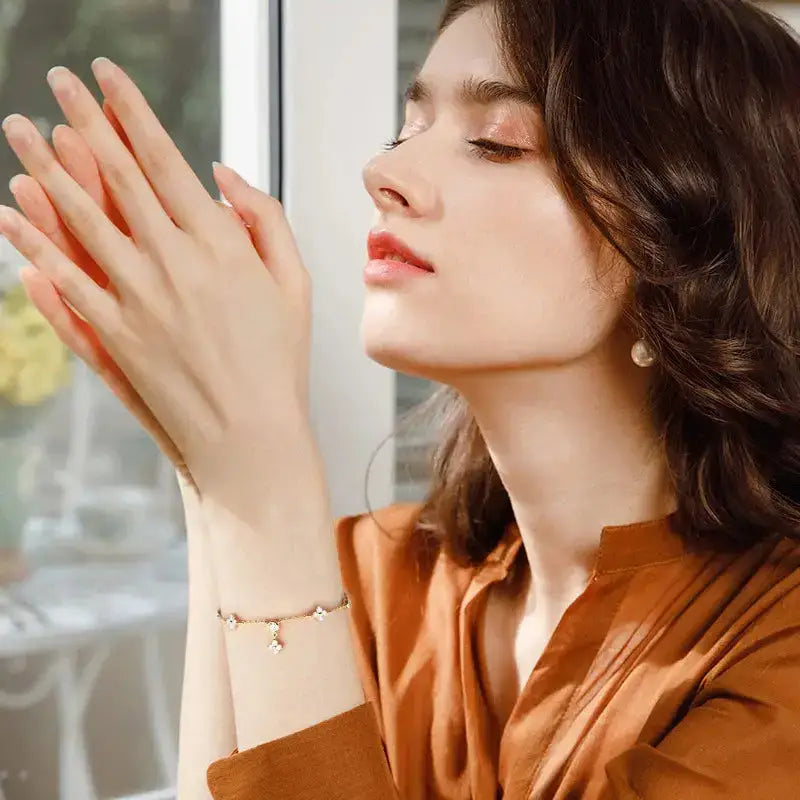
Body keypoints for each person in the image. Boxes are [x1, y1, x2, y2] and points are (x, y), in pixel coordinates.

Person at [2, 0, 800, 797]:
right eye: (407, 129)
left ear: (688, 263)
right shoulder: (375, 580)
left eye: (498, 143)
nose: (384, 173)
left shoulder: (777, 648)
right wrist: (209, 470)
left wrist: (262, 484)